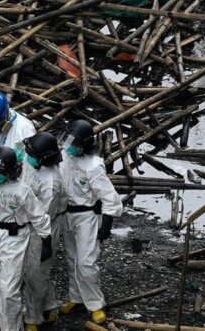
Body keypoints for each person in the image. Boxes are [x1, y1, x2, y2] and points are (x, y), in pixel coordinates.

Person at [0, 146, 52, 331]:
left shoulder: (22, 190)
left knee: (9, 290)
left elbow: (38, 215)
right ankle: (0, 322)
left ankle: (13, 328)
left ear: (10, 171)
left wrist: (46, 238)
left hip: (15, 237)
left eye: (0, 172)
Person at [58, 120, 123, 325]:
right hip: (67, 214)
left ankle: (95, 304)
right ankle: (76, 298)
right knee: (72, 259)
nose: (69, 146)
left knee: (86, 262)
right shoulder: (64, 157)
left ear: (84, 145)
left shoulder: (93, 165)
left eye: (74, 143)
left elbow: (109, 197)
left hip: (86, 216)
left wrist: (107, 224)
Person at [21, 132, 65, 331]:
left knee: (35, 273)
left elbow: (43, 216)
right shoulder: (33, 161)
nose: (27, 156)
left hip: (44, 226)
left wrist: (46, 242)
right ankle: (48, 307)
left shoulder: (52, 183)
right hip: (29, 221)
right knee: (37, 271)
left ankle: (33, 318)